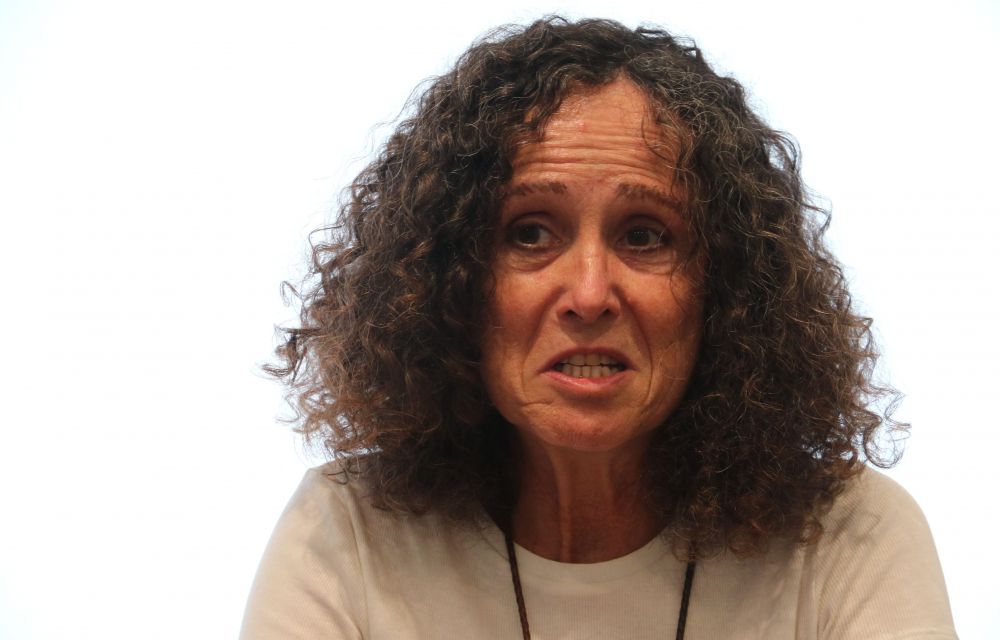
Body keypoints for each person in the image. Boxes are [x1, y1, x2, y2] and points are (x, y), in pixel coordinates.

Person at [240, 17, 957, 639]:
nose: (588, 295)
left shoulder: (846, 537)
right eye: (530, 233)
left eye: (644, 235)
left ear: (728, 288)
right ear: (447, 281)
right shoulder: (346, 533)